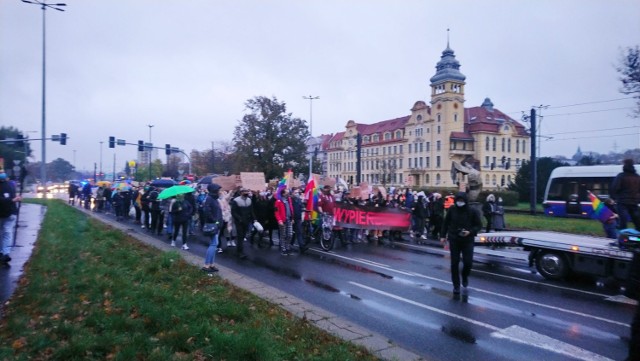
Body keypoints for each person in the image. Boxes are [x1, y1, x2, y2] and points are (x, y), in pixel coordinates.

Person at [440, 192, 483, 297]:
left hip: (467, 240)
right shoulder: (452, 210)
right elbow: (446, 223)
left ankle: (464, 275)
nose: (460, 203)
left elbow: (478, 225)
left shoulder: (472, 211)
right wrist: (442, 235)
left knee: (468, 262)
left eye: (462, 201)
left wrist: (470, 232)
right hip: (454, 239)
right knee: (454, 263)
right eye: (458, 200)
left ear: (465, 201)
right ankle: (456, 286)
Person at [611, 159, 640, 230]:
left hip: (622, 202)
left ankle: (621, 238)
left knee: (622, 221)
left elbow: (615, 188)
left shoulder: (621, 176)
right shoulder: (637, 177)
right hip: (634, 202)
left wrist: (614, 197)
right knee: (637, 221)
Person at [0, 168, 21, 264]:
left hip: (7, 213)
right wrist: (14, 200)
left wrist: (16, 199)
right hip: (8, 213)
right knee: (6, 233)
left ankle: (4, 253)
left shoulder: (10, 184)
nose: (2, 174)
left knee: (6, 232)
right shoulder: (10, 184)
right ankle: (4, 252)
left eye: (2, 172)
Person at [231, 188, 254, 259]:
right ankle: (239, 252)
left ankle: (240, 250)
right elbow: (233, 212)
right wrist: (239, 219)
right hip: (239, 222)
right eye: (245, 191)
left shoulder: (249, 200)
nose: (246, 193)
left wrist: (254, 219)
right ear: (241, 192)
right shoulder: (236, 200)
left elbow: (251, 210)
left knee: (243, 235)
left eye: (247, 191)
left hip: (246, 221)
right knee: (240, 236)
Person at [274, 188, 294, 255]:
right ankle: (283, 249)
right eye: (287, 192)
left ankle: (287, 247)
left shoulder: (289, 200)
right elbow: (276, 212)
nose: (288, 193)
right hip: (282, 221)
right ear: (283, 194)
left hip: (289, 220)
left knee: (290, 234)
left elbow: (291, 209)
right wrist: (279, 220)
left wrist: (292, 218)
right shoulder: (278, 201)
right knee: (283, 235)